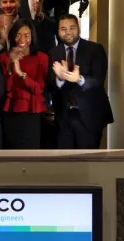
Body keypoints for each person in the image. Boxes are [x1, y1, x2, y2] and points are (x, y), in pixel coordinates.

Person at [48, 14, 114, 149]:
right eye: (63, 29)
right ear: (58, 31)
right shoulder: (53, 53)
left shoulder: (95, 49)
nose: (68, 32)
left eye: (72, 28)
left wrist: (79, 79)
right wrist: (60, 79)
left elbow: (98, 80)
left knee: (87, 159)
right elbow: (49, 86)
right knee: (64, 159)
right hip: (63, 118)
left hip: (89, 116)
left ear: (78, 28)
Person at [0, 21, 49, 149]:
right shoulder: (4, 57)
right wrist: (11, 67)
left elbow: (39, 89)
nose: (22, 40)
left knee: (31, 152)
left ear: (32, 37)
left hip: (31, 111)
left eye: (26, 36)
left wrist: (21, 73)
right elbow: (6, 88)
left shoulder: (42, 58)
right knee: (11, 150)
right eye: (18, 35)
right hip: (10, 110)